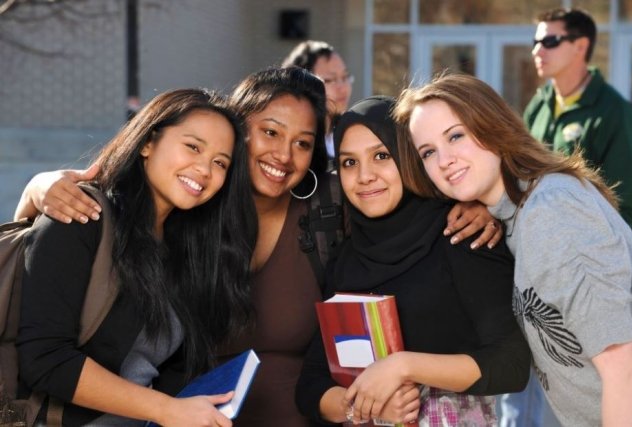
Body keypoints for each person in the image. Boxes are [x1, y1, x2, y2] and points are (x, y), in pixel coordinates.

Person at [14, 68, 502, 426]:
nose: (282, 155)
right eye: (269, 132)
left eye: (303, 142)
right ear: (241, 129)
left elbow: (395, 189)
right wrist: (41, 187)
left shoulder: (331, 211)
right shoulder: (189, 214)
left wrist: (477, 207)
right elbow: (53, 286)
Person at [394, 72, 632, 426]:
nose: (444, 159)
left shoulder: (551, 209)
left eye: (456, 136)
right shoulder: (518, 215)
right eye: (428, 152)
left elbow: (623, 364)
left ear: (492, 126)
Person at [17, 88, 257, 426]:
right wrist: (165, 409)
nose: (204, 169)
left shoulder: (188, 250)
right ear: (147, 143)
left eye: (220, 163)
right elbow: (45, 358)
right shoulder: (83, 216)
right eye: (193, 146)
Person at [295, 96, 531, 426]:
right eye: (349, 163)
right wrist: (364, 407)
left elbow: (512, 365)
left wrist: (402, 367)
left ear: (408, 159)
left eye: (381, 156)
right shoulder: (346, 260)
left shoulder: (461, 234)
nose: (364, 176)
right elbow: (312, 385)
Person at [525, 7, 632, 227]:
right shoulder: (538, 105)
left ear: (581, 46)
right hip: (535, 234)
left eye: (550, 41)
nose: (537, 52)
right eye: (536, 42)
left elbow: (625, 203)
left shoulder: (615, 111)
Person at [282, 40, 354, 165]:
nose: (343, 87)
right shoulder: (292, 146)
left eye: (345, 77)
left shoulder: (351, 135)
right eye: (330, 80)